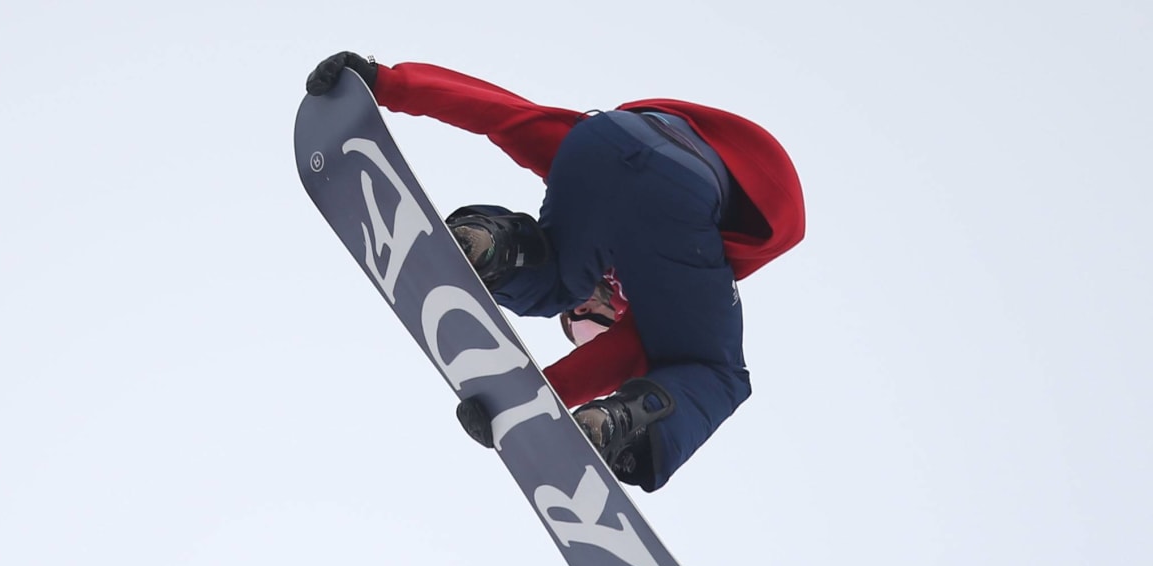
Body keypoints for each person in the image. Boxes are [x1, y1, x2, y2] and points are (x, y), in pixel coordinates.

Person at [305, 51, 806, 492]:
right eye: (587, 323)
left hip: (608, 139)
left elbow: (509, 118)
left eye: (579, 325)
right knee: (716, 372)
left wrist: (389, 82)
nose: (584, 310)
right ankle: (624, 423)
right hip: (681, 182)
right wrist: (386, 83)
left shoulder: (640, 276)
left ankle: (491, 245)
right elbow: (503, 117)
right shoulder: (667, 282)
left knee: (554, 279)